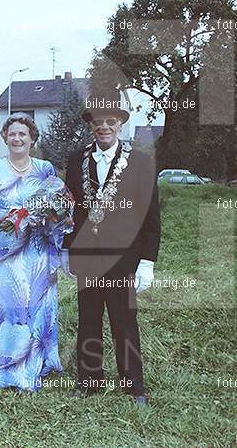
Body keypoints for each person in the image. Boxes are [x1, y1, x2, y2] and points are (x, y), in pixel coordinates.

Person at [62, 87, 160, 405]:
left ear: (120, 124)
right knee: (88, 319)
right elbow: (70, 209)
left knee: (124, 321)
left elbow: (150, 215)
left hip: (123, 258)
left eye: (110, 121)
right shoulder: (77, 160)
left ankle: (134, 386)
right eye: (97, 122)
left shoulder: (140, 163)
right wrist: (66, 247)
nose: (103, 127)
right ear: (90, 125)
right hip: (87, 256)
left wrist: (147, 261)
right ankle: (89, 380)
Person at [0, 113, 74, 392]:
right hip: (1, 255)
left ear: (32, 138)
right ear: (4, 138)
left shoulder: (45, 169)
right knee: (1, 311)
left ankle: (29, 372)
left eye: (22, 134)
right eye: (12, 134)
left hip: (36, 255)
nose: (17, 138)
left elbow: (60, 208)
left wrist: (49, 218)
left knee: (30, 311)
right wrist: (12, 217)